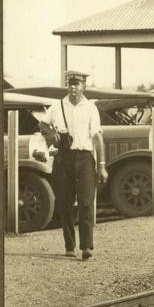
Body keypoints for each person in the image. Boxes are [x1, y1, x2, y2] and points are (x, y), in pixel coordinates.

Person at [39, 70, 107, 260]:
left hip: (85, 158)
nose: (72, 88)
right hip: (63, 159)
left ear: (84, 86)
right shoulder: (57, 106)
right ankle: (70, 245)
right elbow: (42, 125)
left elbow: (98, 137)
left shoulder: (90, 108)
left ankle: (86, 247)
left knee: (86, 202)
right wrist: (51, 133)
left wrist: (101, 166)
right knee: (65, 203)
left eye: (76, 84)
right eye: (70, 84)